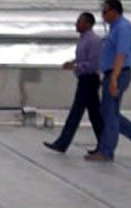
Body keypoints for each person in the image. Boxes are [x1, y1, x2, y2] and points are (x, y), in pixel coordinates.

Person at [85, 0, 131, 162]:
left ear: (115, 11)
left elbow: (121, 54)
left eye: (105, 12)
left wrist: (113, 78)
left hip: (118, 74)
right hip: (112, 73)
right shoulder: (115, 28)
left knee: (109, 114)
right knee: (109, 112)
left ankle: (107, 151)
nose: (103, 15)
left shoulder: (122, 28)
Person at [44, 12, 103, 153]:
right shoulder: (83, 39)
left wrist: (76, 66)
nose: (77, 24)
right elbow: (83, 59)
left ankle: (62, 143)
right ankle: (104, 145)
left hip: (89, 80)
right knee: (95, 114)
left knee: (76, 113)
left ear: (88, 24)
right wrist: (73, 62)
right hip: (84, 79)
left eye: (80, 22)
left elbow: (93, 64)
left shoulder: (93, 40)